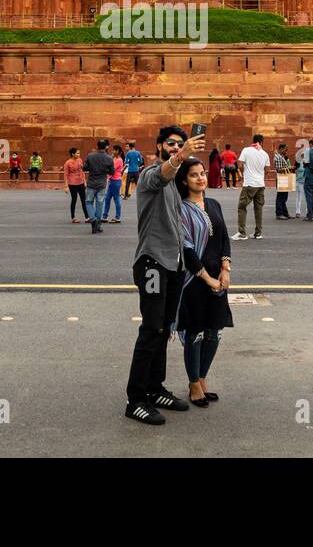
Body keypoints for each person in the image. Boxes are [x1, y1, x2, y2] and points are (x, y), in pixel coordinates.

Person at [125, 123, 206, 426]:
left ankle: (154, 387)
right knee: (150, 329)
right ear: (159, 146)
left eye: (180, 145)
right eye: (171, 144)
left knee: (163, 329)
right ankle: (135, 399)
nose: (175, 148)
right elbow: (163, 174)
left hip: (172, 266)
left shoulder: (175, 183)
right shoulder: (150, 175)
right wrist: (180, 156)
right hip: (152, 264)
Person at [172, 157, 233, 408]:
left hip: (218, 278)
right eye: (194, 175)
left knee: (214, 333)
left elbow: (224, 239)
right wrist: (206, 278)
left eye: (202, 173)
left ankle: (202, 377)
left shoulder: (214, 204)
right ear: (185, 181)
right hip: (195, 280)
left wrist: (225, 270)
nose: (200, 178)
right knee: (195, 333)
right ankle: (194, 383)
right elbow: (186, 248)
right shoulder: (181, 209)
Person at [235, 134, 269, 240]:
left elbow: (240, 164)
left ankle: (242, 233)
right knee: (258, 208)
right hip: (260, 185)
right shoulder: (265, 154)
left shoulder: (246, 150)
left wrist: (242, 174)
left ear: (253, 141)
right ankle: (258, 233)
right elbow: (267, 170)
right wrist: (261, 176)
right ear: (262, 142)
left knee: (242, 207)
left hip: (249, 183)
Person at [83, 139, 113, 234]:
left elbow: (85, 168)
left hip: (91, 183)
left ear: (97, 146)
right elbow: (112, 171)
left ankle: (93, 219)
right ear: (106, 147)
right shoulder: (109, 158)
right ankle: (98, 225)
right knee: (100, 204)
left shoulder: (90, 156)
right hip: (101, 184)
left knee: (88, 202)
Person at [102, 143, 125, 223]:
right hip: (112, 181)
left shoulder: (119, 160)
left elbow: (111, 169)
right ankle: (104, 216)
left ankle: (117, 217)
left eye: (114, 150)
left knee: (116, 199)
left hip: (115, 181)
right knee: (107, 199)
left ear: (117, 151)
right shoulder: (115, 159)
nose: (112, 151)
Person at [63, 147, 86, 223]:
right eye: (77, 153)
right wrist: (66, 186)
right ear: (72, 154)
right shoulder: (68, 163)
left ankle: (87, 217)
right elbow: (65, 175)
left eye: (79, 153)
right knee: (74, 199)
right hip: (72, 183)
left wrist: (84, 181)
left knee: (84, 200)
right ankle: (73, 217)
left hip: (81, 182)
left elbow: (82, 171)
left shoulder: (80, 160)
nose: (79, 154)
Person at [273, 142, 292, 219]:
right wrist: (289, 168)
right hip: (281, 178)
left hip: (284, 178)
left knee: (284, 197)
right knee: (281, 197)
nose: (286, 151)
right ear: (281, 149)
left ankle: (285, 213)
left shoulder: (281, 156)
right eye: (285, 150)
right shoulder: (278, 157)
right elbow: (278, 170)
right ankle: (279, 214)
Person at [294, 142, 308, 218]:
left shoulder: (308, 161)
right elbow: (294, 170)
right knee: (298, 197)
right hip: (299, 181)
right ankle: (297, 212)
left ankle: (308, 212)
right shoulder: (298, 161)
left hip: (306, 181)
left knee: (307, 197)